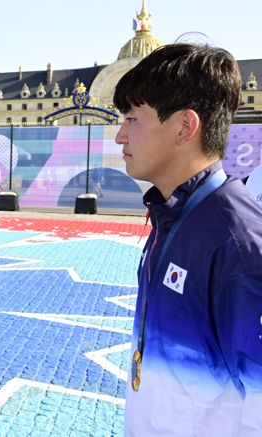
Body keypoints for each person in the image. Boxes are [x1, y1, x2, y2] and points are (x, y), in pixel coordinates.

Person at [113, 43, 262, 435]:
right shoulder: (171, 215)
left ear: (184, 126)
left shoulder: (238, 242)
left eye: (131, 120)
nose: (118, 136)